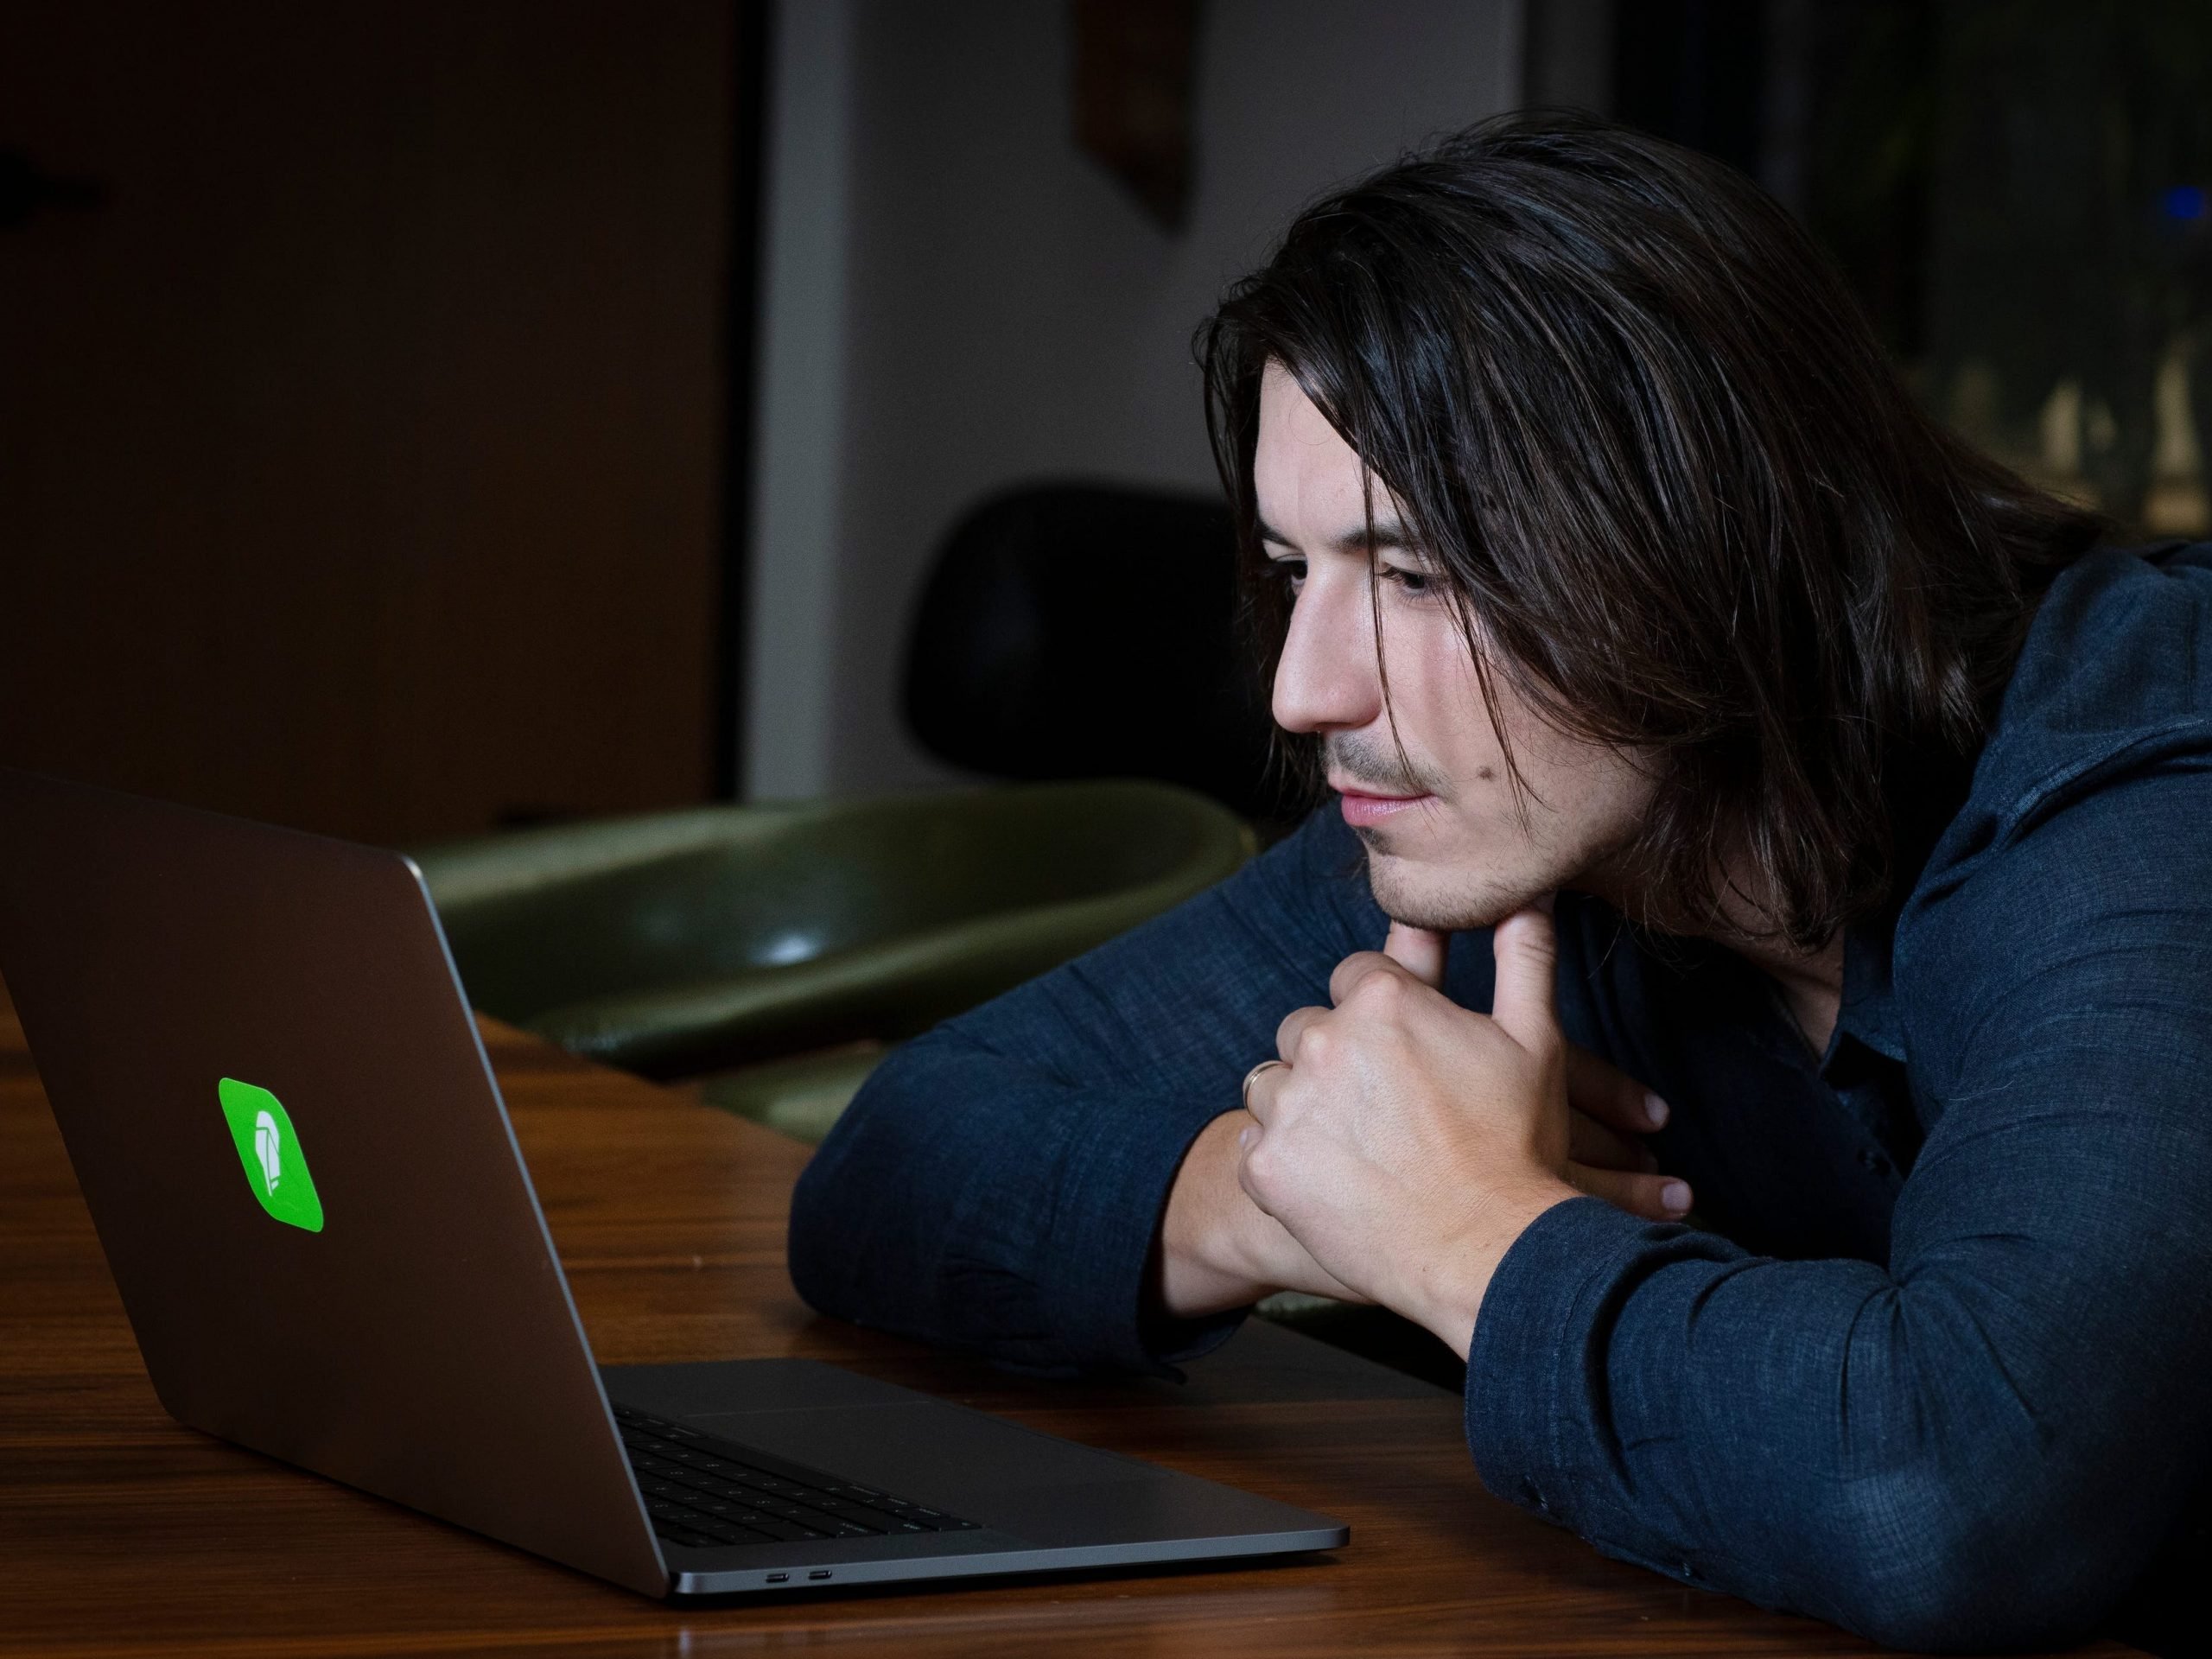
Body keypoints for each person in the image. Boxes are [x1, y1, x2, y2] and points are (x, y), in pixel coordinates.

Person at [786, 114, 2212, 1653]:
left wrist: (1464, 1236)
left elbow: (1956, 1495)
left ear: (1716, 548)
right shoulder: (1523, 829)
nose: (1305, 692)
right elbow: (895, 1162)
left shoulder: (2139, 807)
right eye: (1292, 572)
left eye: (1417, 577)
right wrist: (1285, 1203)